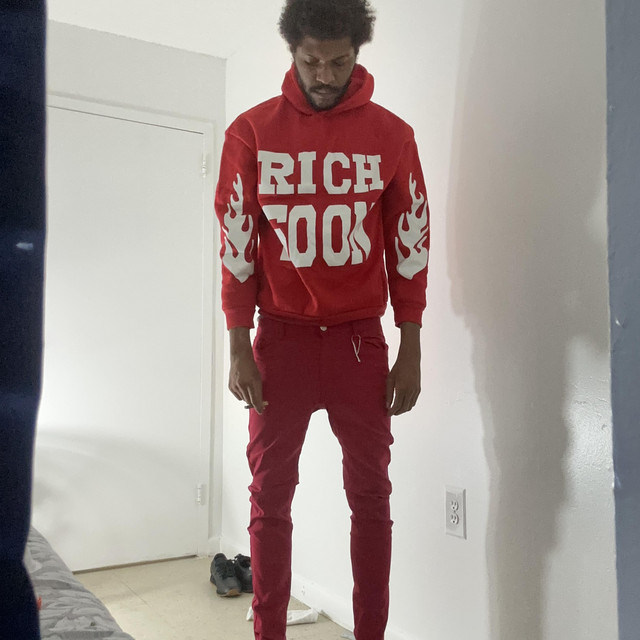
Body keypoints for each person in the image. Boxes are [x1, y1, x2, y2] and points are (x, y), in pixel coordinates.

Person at [214, 1, 430, 638]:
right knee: (269, 498)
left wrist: (411, 346)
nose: (326, 75)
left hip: (360, 342)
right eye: (312, 61)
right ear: (293, 51)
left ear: (358, 52)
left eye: (339, 61)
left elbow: (410, 246)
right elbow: (236, 244)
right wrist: (238, 343)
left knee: (371, 497)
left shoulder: (393, 137)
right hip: (279, 338)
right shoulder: (251, 132)